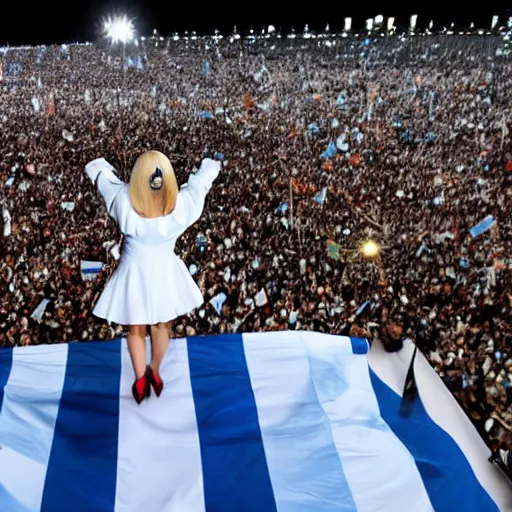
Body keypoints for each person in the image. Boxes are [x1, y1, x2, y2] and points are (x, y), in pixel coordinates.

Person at [85, 151, 221, 403]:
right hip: (165, 273)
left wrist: (100, 165)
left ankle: (140, 379)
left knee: (135, 327)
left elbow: (102, 177)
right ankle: (155, 372)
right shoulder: (180, 206)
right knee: (161, 326)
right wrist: (209, 166)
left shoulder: (123, 201)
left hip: (133, 272)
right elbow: (201, 184)